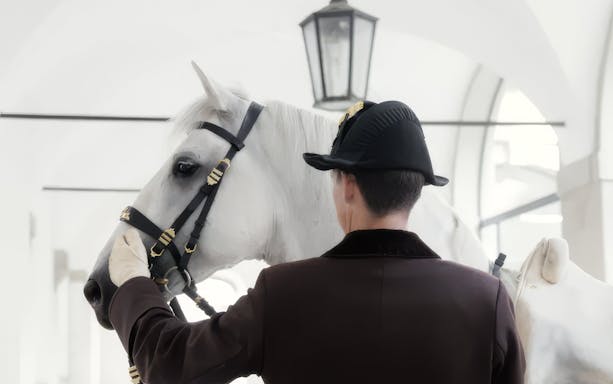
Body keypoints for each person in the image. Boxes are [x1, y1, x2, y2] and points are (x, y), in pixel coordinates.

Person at [108, 100, 525, 383]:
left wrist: (134, 287)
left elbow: (169, 362)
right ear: (416, 192)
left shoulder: (282, 294)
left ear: (345, 186)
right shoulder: (487, 301)